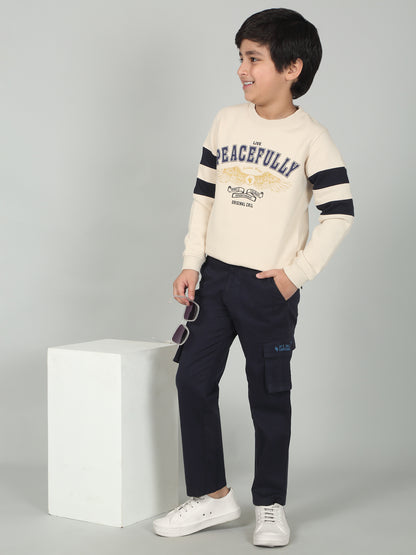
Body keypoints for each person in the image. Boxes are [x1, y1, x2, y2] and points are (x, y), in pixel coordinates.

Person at [153, 7, 354, 547]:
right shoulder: (226, 121)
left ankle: (269, 505)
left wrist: (295, 275)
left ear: (292, 67)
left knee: (268, 395)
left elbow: (339, 213)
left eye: (253, 59)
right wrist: (192, 261)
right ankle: (214, 496)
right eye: (240, 57)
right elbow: (204, 197)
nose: (242, 70)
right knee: (192, 381)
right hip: (216, 279)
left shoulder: (312, 137)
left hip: (269, 287)